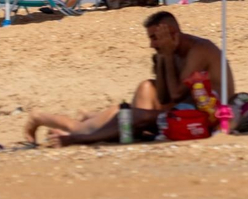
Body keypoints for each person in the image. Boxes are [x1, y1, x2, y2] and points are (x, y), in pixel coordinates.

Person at [23, 10, 234, 146]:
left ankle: (74, 134)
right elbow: (164, 95)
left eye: (154, 38)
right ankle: (72, 121)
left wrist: (167, 54)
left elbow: (177, 95)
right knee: (139, 96)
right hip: (179, 111)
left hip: (207, 114)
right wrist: (164, 59)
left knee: (125, 117)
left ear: (172, 33)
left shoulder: (199, 50)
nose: (151, 44)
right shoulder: (169, 51)